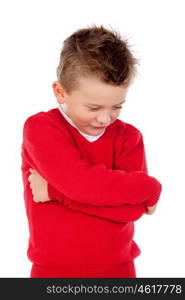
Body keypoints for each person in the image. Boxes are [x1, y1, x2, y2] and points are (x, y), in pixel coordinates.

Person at [21, 24, 162, 278]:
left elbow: (132, 210)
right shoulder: (41, 128)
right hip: (53, 272)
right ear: (60, 92)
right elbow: (78, 184)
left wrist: (55, 192)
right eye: (94, 107)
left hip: (118, 271)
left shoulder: (129, 137)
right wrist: (149, 188)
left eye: (117, 106)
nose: (105, 118)